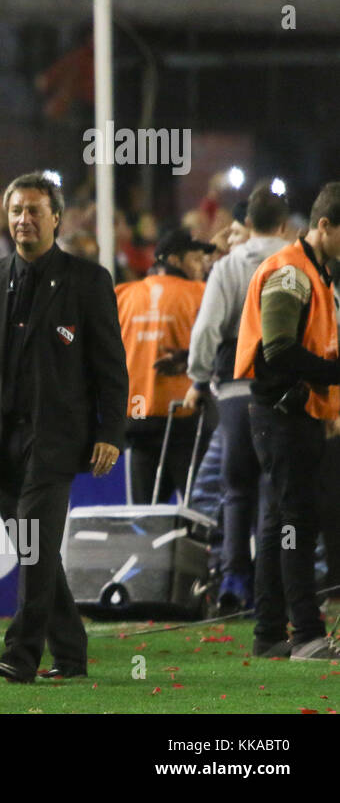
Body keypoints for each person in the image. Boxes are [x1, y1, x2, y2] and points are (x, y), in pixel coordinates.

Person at [0, 172, 128, 683]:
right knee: (34, 548)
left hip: (55, 440)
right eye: (17, 210)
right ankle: (71, 653)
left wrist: (111, 430)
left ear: (56, 218)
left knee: (33, 544)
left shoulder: (88, 281)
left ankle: (21, 654)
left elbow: (111, 366)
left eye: (34, 211)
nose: (24, 219)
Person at [233, 182, 340, 660]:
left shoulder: (313, 272)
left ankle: (269, 633)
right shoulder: (292, 273)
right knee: (297, 519)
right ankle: (307, 634)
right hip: (282, 415)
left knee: (280, 523)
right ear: (323, 227)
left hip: (284, 413)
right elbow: (278, 349)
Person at [184, 186, 292, 618]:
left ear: (247, 223)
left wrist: (197, 374)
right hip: (283, 385)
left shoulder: (228, 265)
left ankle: (233, 582)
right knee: (273, 488)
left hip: (234, 383)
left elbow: (208, 328)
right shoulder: (294, 261)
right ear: (283, 224)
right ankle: (273, 586)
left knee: (235, 488)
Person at [115, 229, 213, 505]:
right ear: (173, 260)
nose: (201, 267)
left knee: (142, 518)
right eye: (195, 260)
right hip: (186, 417)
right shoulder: (201, 293)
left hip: (137, 419)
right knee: (198, 514)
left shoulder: (121, 295)